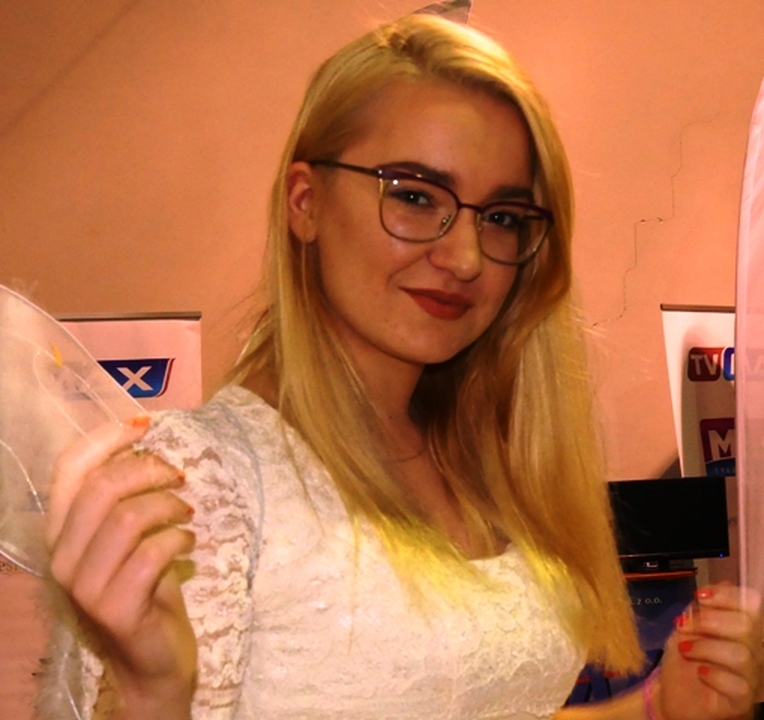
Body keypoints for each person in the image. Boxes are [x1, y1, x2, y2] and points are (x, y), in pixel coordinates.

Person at [39, 13, 762, 720]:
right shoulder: (202, 480)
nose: (466, 257)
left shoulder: (486, 458)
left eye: (502, 217)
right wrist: (149, 698)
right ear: (304, 201)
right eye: (414, 196)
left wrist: (654, 708)